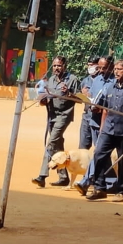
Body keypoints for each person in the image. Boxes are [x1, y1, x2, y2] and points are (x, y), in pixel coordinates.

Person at [87, 59, 123, 203]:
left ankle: (121, 191)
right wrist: (101, 129)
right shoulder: (110, 87)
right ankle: (100, 188)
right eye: (115, 69)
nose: (116, 72)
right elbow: (105, 111)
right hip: (108, 129)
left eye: (119, 69)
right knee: (99, 154)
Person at [32, 56, 80, 188]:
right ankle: (63, 176)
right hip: (51, 116)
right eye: (54, 66)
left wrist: (69, 93)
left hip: (64, 116)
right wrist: (42, 100)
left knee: (51, 143)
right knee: (58, 146)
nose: (56, 68)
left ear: (64, 66)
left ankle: (42, 175)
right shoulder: (51, 80)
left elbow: (80, 99)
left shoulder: (72, 80)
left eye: (59, 66)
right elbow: (44, 97)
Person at [75, 56, 117, 196]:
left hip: (107, 124)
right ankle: (110, 182)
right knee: (101, 154)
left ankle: (86, 181)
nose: (101, 70)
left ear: (111, 67)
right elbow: (92, 96)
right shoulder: (97, 79)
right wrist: (88, 100)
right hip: (93, 120)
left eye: (104, 68)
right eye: (99, 67)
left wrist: (102, 108)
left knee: (99, 152)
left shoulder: (115, 82)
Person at [78, 56, 99, 150]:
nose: (90, 67)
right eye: (88, 65)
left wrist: (90, 95)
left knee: (99, 148)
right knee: (83, 147)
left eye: (92, 65)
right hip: (87, 116)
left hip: (98, 118)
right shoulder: (85, 81)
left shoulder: (103, 80)